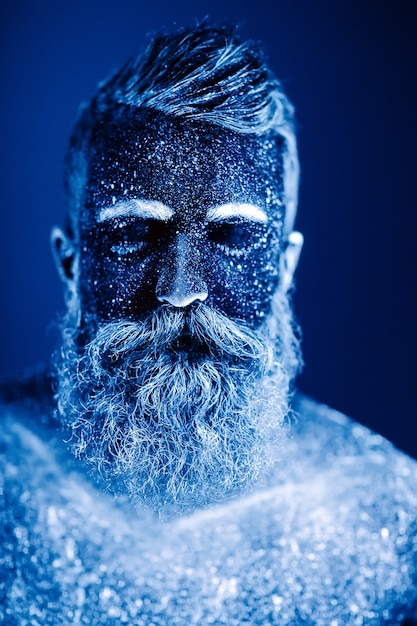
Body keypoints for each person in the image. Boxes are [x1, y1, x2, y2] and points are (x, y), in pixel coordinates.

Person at [1, 21, 416, 625]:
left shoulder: (394, 529)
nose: (181, 290)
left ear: (284, 267)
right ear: (70, 264)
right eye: (131, 235)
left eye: (232, 237)